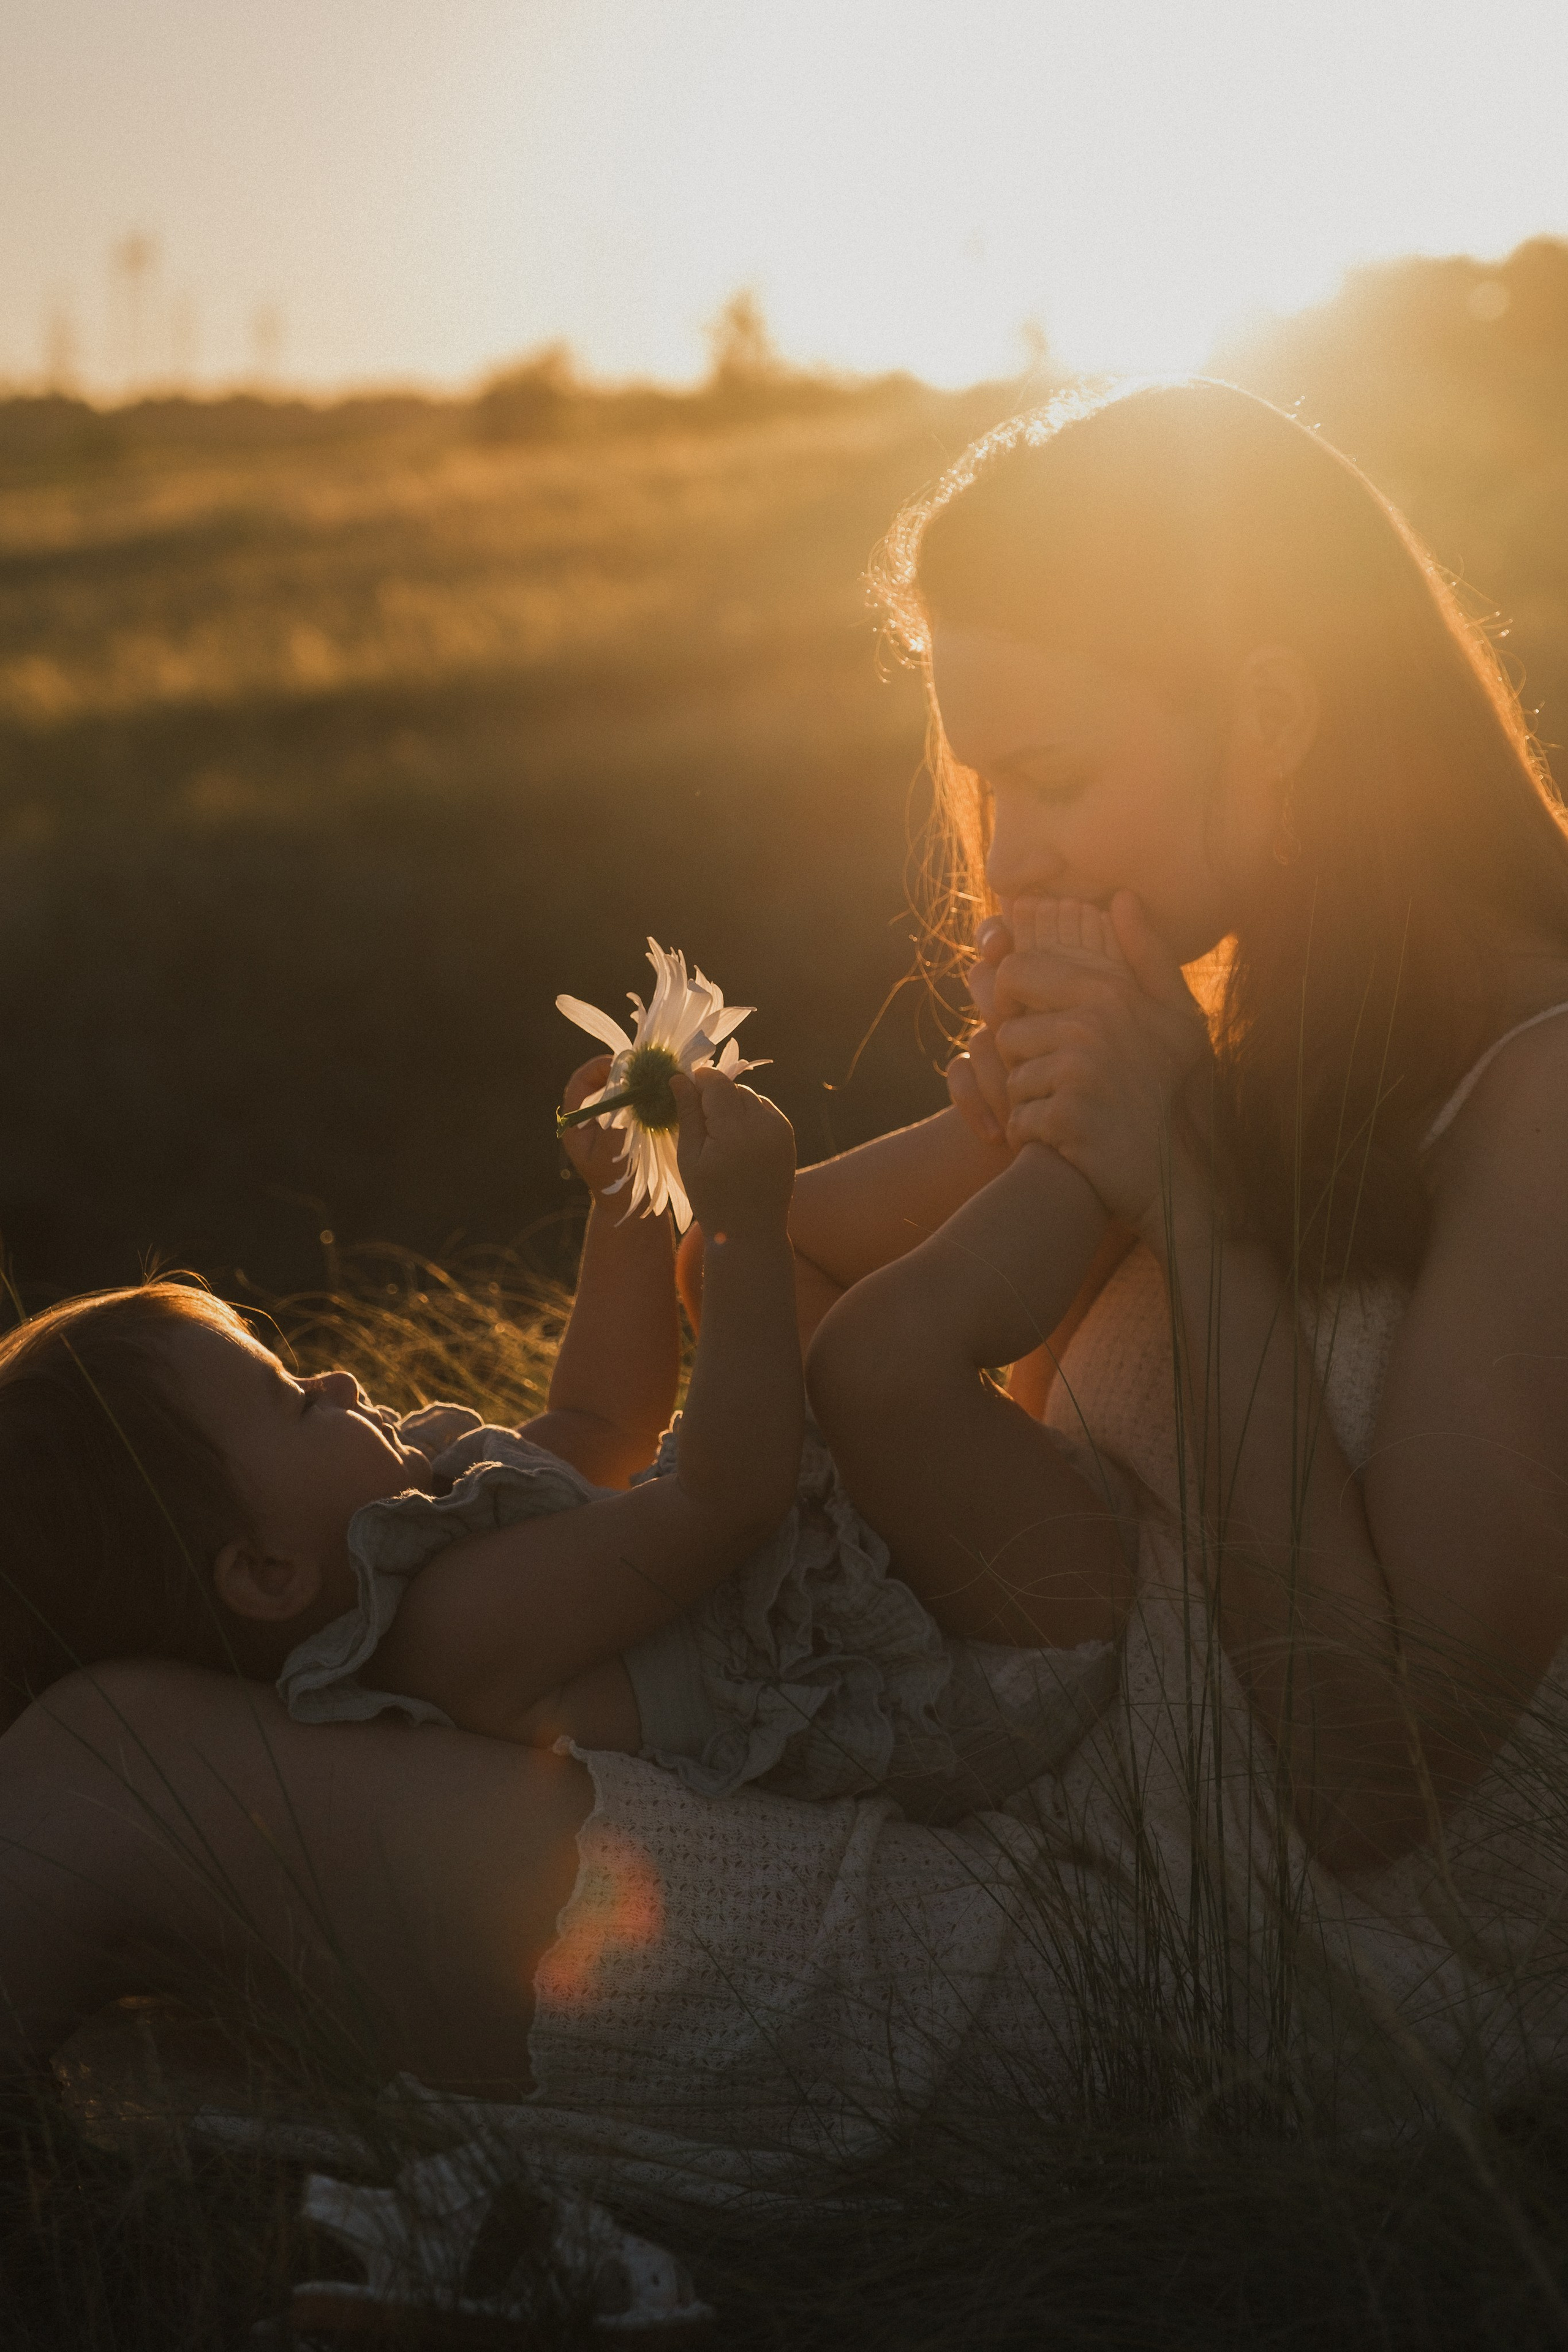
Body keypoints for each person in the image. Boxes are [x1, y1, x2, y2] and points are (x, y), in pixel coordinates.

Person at [4, 379, 1567, 2209]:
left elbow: (1375, 1784)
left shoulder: (1534, 1104)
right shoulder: (1248, 1033)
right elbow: (806, 1281)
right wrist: (762, 1179)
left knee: (114, 1780)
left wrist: (1180, 1188)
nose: (1018, 851)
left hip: (1213, 1956)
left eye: (1056, 778)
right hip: (985, 1813)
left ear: (1273, 713)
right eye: (986, 786)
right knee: (118, 1698)